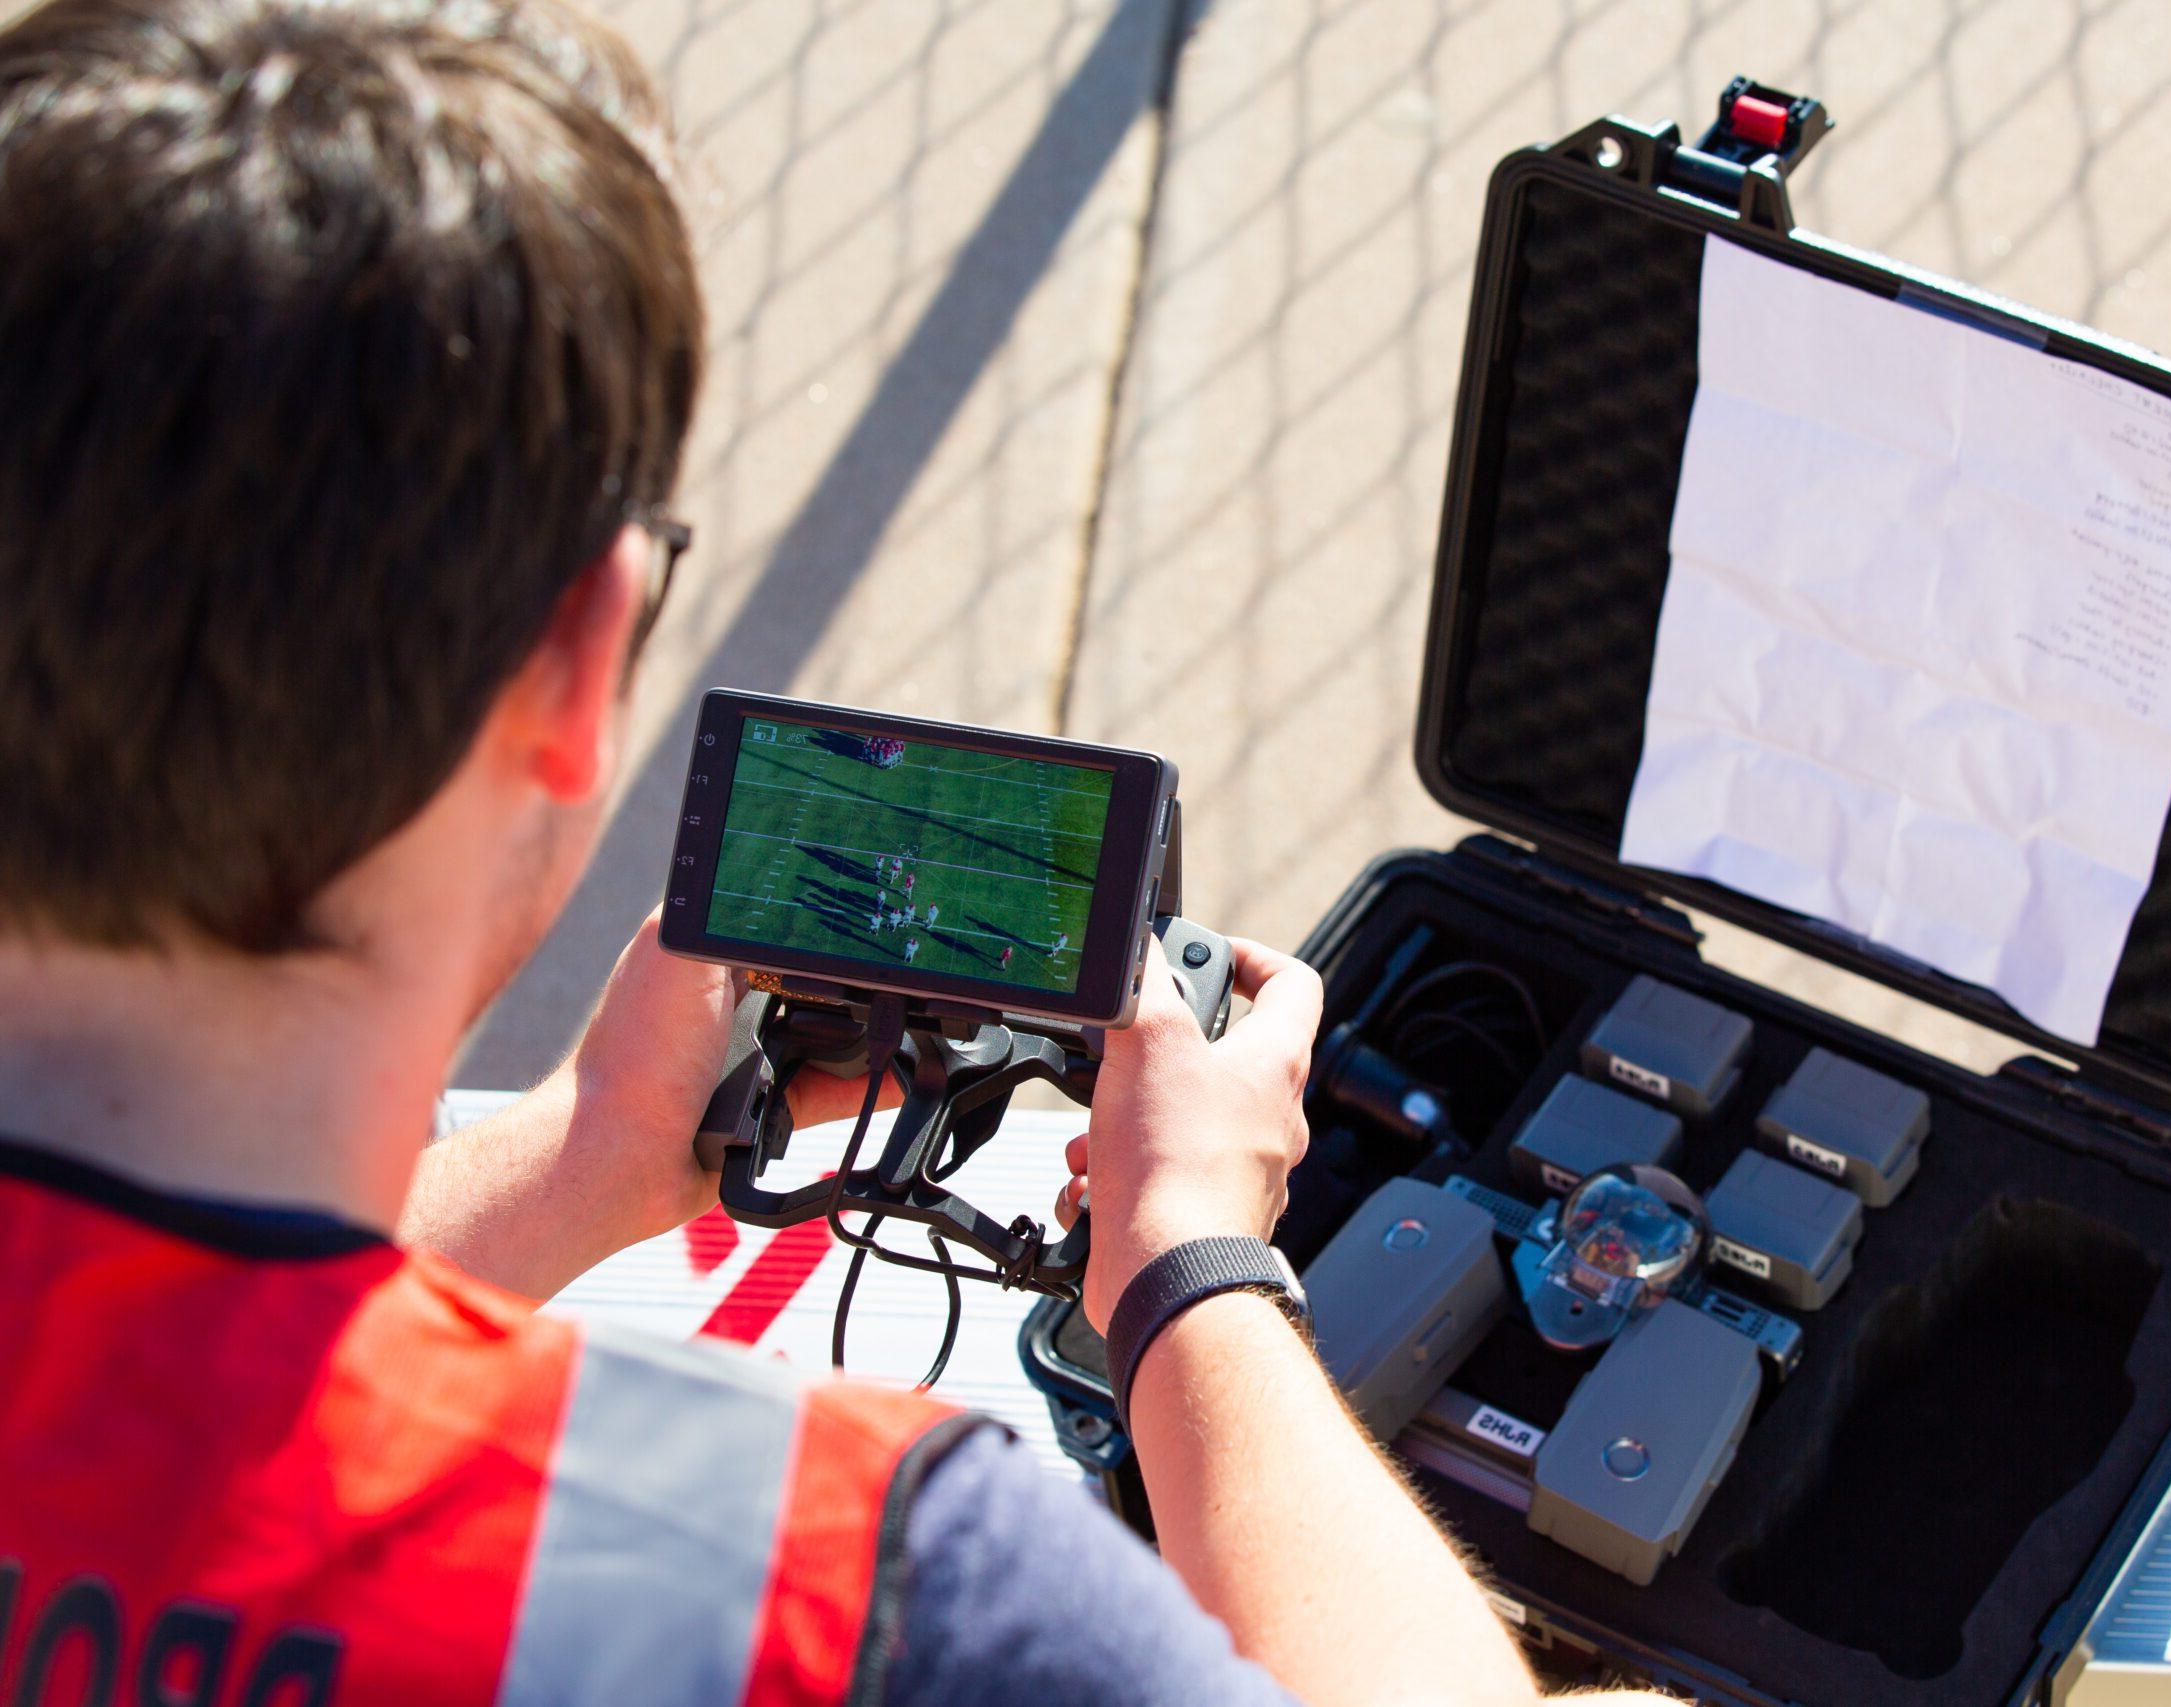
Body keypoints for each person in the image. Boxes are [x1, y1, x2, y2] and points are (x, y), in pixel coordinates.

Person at [0, 3, 1666, 1705]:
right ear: (582, 664)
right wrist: (1191, 1267)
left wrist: (586, 1157)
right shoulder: (852, 1591)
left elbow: (177, 1378)